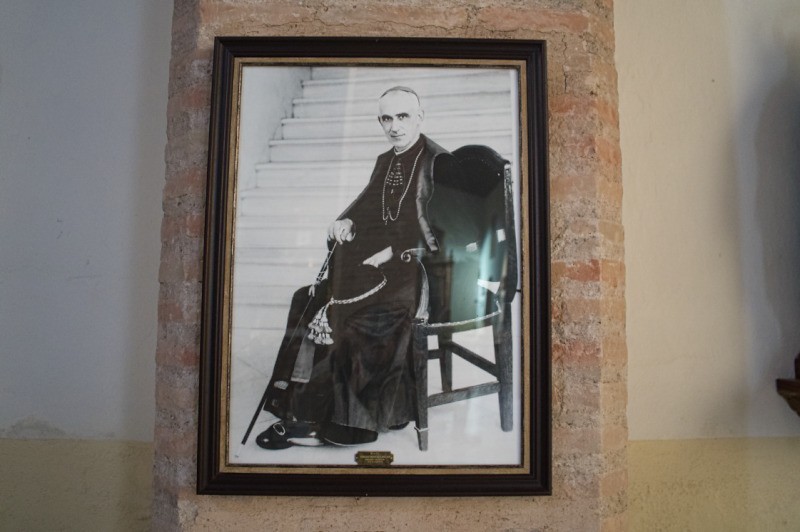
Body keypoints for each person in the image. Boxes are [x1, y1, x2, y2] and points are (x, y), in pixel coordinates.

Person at [254, 86, 459, 449]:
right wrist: (345, 221)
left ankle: (344, 423)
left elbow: (449, 236)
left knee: (359, 319)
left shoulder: (439, 163)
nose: (394, 126)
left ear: (420, 117)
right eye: (386, 118)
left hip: (422, 275)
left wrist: (393, 251)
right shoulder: (385, 160)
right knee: (307, 298)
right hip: (384, 269)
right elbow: (365, 208)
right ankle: (297, 401)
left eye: (403, 116)